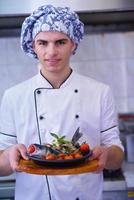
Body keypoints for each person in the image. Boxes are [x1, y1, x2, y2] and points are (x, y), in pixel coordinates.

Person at [0, 4, 124, 200]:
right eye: (43, 43)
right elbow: (1, 167)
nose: (51, 52)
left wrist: (108, 155)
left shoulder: (100, 92)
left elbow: (117, 158)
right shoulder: (13, 96)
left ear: (73, 43)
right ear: (33, 45)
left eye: (60, 42)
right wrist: (8, 156)